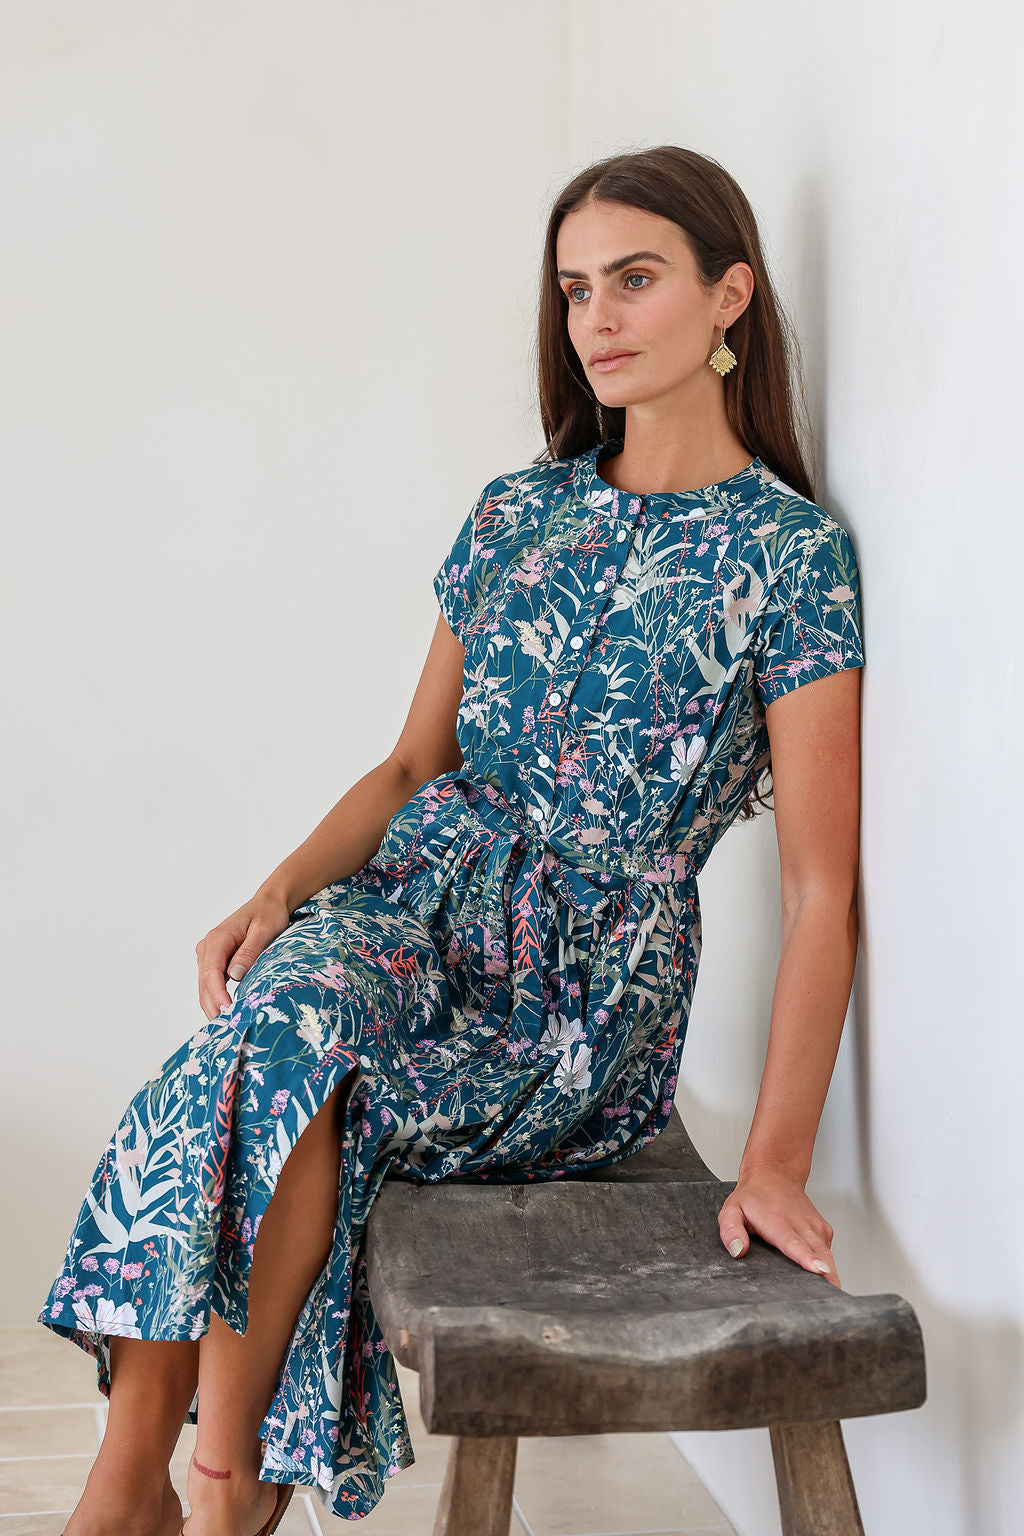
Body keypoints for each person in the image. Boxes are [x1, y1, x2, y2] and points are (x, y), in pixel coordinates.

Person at [39, 143, 865, 1536]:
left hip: (579, 993)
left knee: (296, 1065)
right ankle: (172, 1485)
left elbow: (822, 888)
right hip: (416, 912)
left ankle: (197, 1495)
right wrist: (280, 888)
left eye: (635, 280)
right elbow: (416, 762)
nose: (596, 317)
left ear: (730, 298)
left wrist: (776, 1156)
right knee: (279, 1021)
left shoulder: (792, 559)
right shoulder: (517, 510)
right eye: (575, 289)